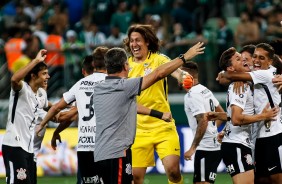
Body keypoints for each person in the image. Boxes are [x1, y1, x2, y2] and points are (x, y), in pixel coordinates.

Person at [92, 43, 204, 184]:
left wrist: (159, 114)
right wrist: (185, 57)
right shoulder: (126, 86)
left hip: (100, 152)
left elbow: (133, 105)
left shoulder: (99, 88)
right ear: (126, 66)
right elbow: (158, 74)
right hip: (117, 152)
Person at [123, 24, 192, 184]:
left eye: (138, 40)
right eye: (132, 41)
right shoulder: (126, 66)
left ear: (147, 41)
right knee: (135, 178)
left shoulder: (159, 59)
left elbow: (176, 71)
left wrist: (183, 76)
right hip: (137, 129)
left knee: (173, 171)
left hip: (163, 125)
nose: (134, 44)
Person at [219, 44, 282, 184]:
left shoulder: (261, 74)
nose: (251, 61)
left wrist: (233, 75)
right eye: (253, 57)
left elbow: (225, 75)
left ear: (270, 61)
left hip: (270, 135)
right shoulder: (244, 81)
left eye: (261, 58)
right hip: (249, 140)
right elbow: (223, 77)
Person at [2, 49, 50, 184]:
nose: (48, 77)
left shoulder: (40, 94)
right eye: (44, 74)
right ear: (33, 76)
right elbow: (14, 79)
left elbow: (50, 106)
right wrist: (35, 61)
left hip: (28, 149)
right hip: (14, 145)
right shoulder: (22, 89)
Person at [182, 61, 224, 184]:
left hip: (205, 148)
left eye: (180, 75)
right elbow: (221, 115)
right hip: (214, 146)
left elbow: (203, 121)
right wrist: (212, 131)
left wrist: (192, 148)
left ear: (187, 76)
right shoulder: (205, 90)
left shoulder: (192, 95)